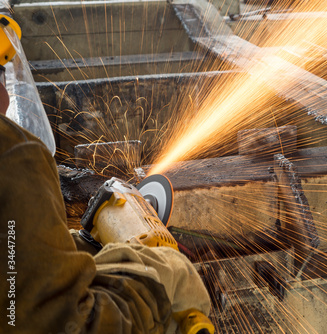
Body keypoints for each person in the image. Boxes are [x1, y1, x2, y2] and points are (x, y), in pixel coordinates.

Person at [0, 68, 212, 333]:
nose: (6, 97)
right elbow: (64, 323)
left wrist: (72, 246)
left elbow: (13, 276)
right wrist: (160, 278)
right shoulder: (12, 154)